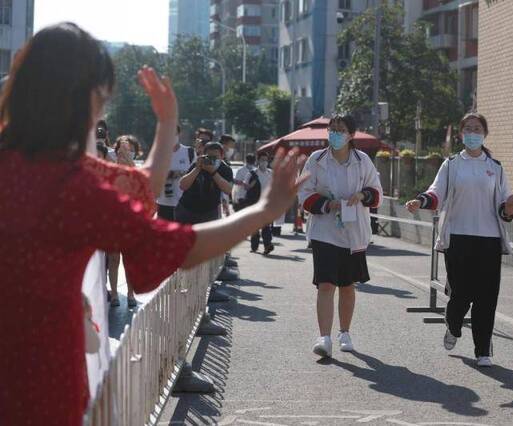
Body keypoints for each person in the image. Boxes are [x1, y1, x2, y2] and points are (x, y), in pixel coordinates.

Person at [0, 23, 305, 425]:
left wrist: (166, 127)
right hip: (39, 377)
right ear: (80, 100)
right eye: (100, 99)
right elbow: (166, 242)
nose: (101, 112)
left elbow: (140, 189)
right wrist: (263, 211)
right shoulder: (70, 184)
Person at [405, 112, 513, 368]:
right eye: (468, 129)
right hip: (458, 238)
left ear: (485, 134)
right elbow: (436, 193)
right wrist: (421, 201)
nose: (473, 133)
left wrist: (510, 207)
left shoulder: (495, 167)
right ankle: (453, 325)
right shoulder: (451, 165)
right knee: (461, 295)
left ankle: (483, 350)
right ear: (462, 134)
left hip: (489, 239)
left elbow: (503, 205)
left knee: (486, 297)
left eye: (477, 129)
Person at [298, 114, 382, 358]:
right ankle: (324, 337)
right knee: (325, 284)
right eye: (332, 129)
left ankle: (344, 332)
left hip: (353, 232)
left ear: (351, 135)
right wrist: (327, 204)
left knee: (347, 285)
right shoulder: (317, 160)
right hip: (325, 231)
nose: (335, 133)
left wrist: (363, 196)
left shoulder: (362, 160)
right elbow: (304, 193)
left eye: (341, 129)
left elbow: (376, 192)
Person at [107, 135, 144, 307]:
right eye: (122, 149)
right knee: (113, 259)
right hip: (113, 220)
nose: (125, 152)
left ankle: (130, 294)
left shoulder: (138, 168)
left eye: (129, 149)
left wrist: (129, 163)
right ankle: (114, 294)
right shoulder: (109, 168)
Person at [175, 141, 234, 224]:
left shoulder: (225, 169)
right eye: (209, 157)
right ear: (204, 155)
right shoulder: (197, 165)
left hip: (210, 212)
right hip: (187, 209)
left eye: (215, 157)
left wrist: (213, 172)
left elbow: (228, 190)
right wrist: (197, 169)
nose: (212, 160)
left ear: (222, 156)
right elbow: (182, 186)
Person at [156, 125, 195, 221]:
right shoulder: (159, 153)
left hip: (184, 203)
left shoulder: (189, 152)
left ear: (179, 133)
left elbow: (196, 173)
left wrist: (179, 174)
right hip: (164, 203)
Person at [249, 153, 275, 254]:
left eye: (266, 160)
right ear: (258, 161)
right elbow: (245, 186)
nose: (264, 162)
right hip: (255, 203)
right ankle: (254, 246)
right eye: (262, 160)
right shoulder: (252, 173)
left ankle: (267, 245)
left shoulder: (271, 173)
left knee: (266, 226)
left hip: (267, 204)